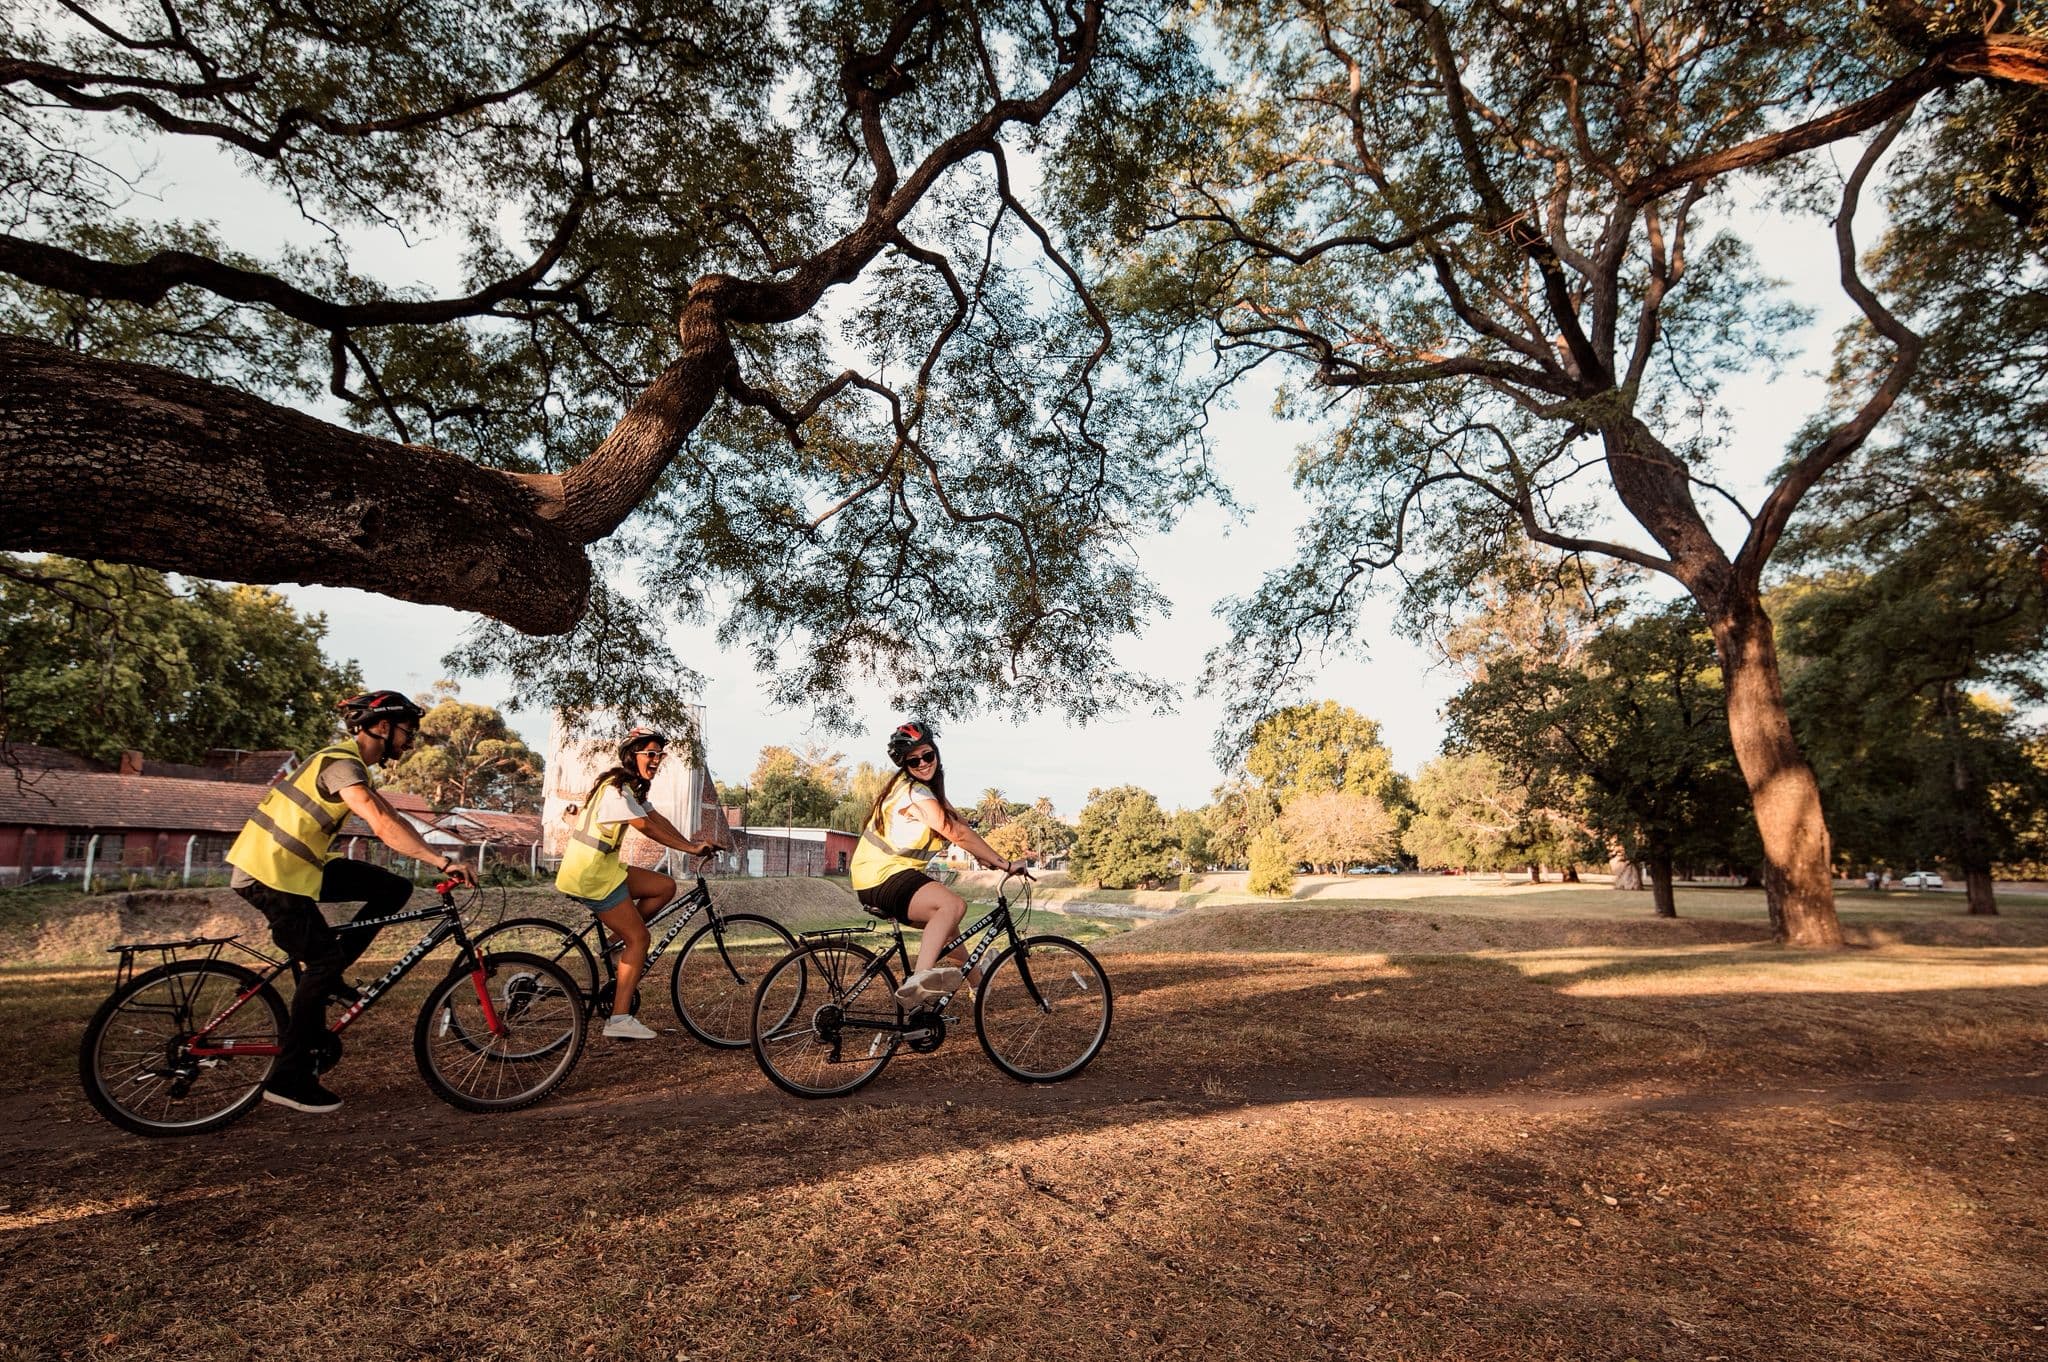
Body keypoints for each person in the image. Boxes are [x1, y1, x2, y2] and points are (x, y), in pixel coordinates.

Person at [226, 689, 476, 1115]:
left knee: (392, 889)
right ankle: (289, 1078)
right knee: (321, 963)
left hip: (295, 868)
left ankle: (331, 977)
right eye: (407, 731)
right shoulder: (341, 764)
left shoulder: (354, 767)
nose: (410, 740)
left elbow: (393, 818)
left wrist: (442, 859)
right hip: (269, 872)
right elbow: (379, 824)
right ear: (383, 727)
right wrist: (439, 861)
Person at [554, 727, 723, 1039]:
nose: (656, 760)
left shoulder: (631, 790)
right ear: (633, 755)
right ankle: (619, 1018)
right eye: (651, 754)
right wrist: (689, 850)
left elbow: (657, 819)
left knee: (664, 887)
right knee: (640, 939)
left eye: (660, 754)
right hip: (592, 875)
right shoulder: (616, 790)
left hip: (604, 869)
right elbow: (645, 827)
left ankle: (617, 944)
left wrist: (692, 844)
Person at [848, 719, 1028, 1005]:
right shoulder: (915, 793)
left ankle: (978, 984)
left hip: (880, 878)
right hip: (883, 876)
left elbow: (959, 824)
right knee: (952, 906)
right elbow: (956, 832)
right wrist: (1005, 864)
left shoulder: (925, 792)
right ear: (905, 766)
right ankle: (918, 982)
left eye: (927, 755)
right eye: (913, 761)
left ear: (935, 752)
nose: (922, 763)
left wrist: (984, 857)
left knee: (947, 928)